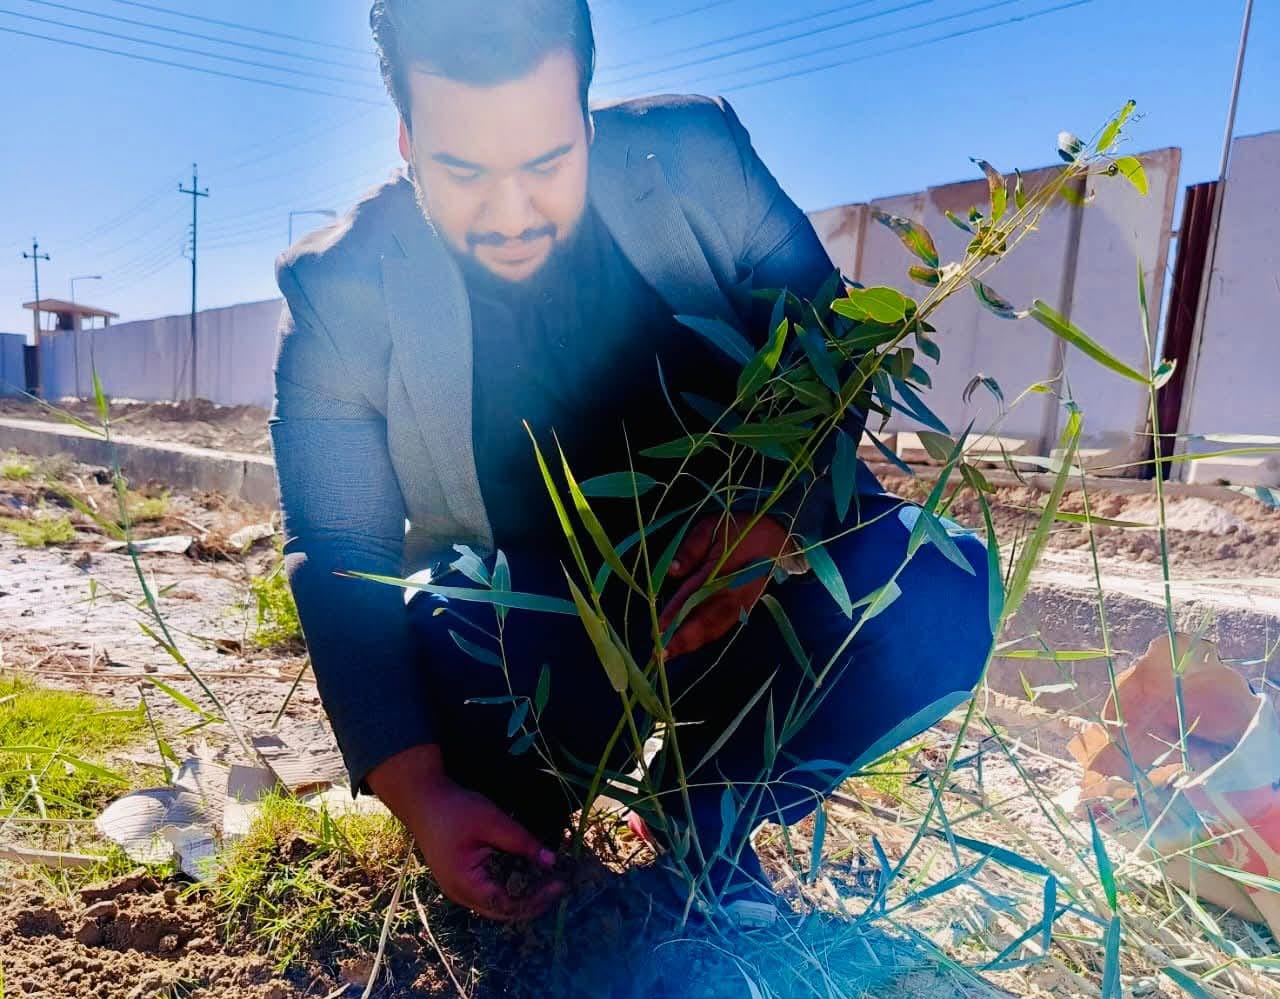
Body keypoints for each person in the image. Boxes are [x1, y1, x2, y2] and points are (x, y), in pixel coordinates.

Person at [271, 0, 996, 929]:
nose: (511, 215)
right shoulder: (338, 288)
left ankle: (705, 811)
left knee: (939, 583)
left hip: (738, 572)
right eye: (462, 172)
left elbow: (827, 338)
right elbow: (338, 544)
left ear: (585, 115)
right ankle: (520, 826)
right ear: (407, 141)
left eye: (546, 163)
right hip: (535, 620)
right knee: (461, 677)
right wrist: (421, 794)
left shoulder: (697, 157)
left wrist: (774, 516)